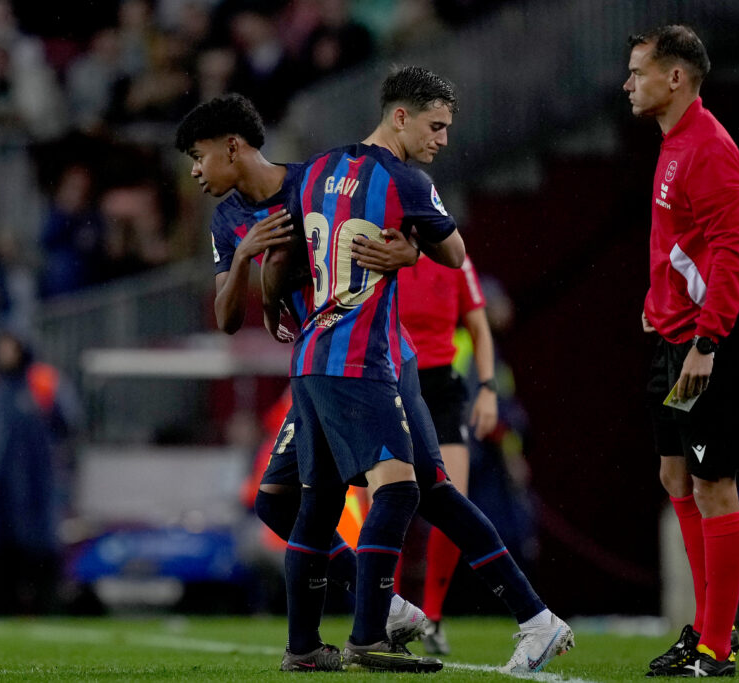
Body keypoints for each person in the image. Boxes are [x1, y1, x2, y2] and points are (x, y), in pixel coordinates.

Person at [262, 65, 573, 674]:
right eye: (436, 125)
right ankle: (373, 631)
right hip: (361, 357)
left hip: (329, 354)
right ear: (400, 116)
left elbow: (284, 255)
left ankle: (533, 620)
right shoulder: (404, 179)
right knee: (399, 491)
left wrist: (279, 307)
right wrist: (413, 249)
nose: (443, 139)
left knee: (376, 495)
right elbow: (455, 254)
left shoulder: (317, 170)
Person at [172, 93, 428, 652]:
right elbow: (227, 318)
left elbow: (396, 224)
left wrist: (411, 253)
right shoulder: (229, 221)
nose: (194, 169)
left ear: (232, 146)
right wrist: (245, 260)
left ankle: (521, 614)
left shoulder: (314, 181)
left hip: (362, 356)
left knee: (412, 488)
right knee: (280, 501)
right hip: (316, 364)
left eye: (198, 155)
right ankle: (354, 621)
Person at [625, 25, 739, 677]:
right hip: (674, 341)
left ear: (674, 78)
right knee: (675, 476)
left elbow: (733, 252)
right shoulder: (673, 142)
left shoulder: (710, 147)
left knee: (714, 485)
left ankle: (717, 642)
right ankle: (708, 627)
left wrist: (707, 341)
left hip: (710, 345)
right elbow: (685, 246)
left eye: (638, 72)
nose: (629, 83)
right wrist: (659, 304)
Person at [358, 249, 497, 654]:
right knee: (387, 505)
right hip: (388, 380)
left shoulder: (455, 258)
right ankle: (386, 613)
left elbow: (479, 326)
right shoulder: (375, 250)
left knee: (453, 501)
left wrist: (487, 389)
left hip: (439, 388)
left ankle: (432, 617)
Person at [0, 327, 78, 615]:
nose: (6, 353)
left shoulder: (44, 382)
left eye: (11, 346)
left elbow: (69, 425)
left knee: (40, 554)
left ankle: (46, 612)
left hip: (37, 487)